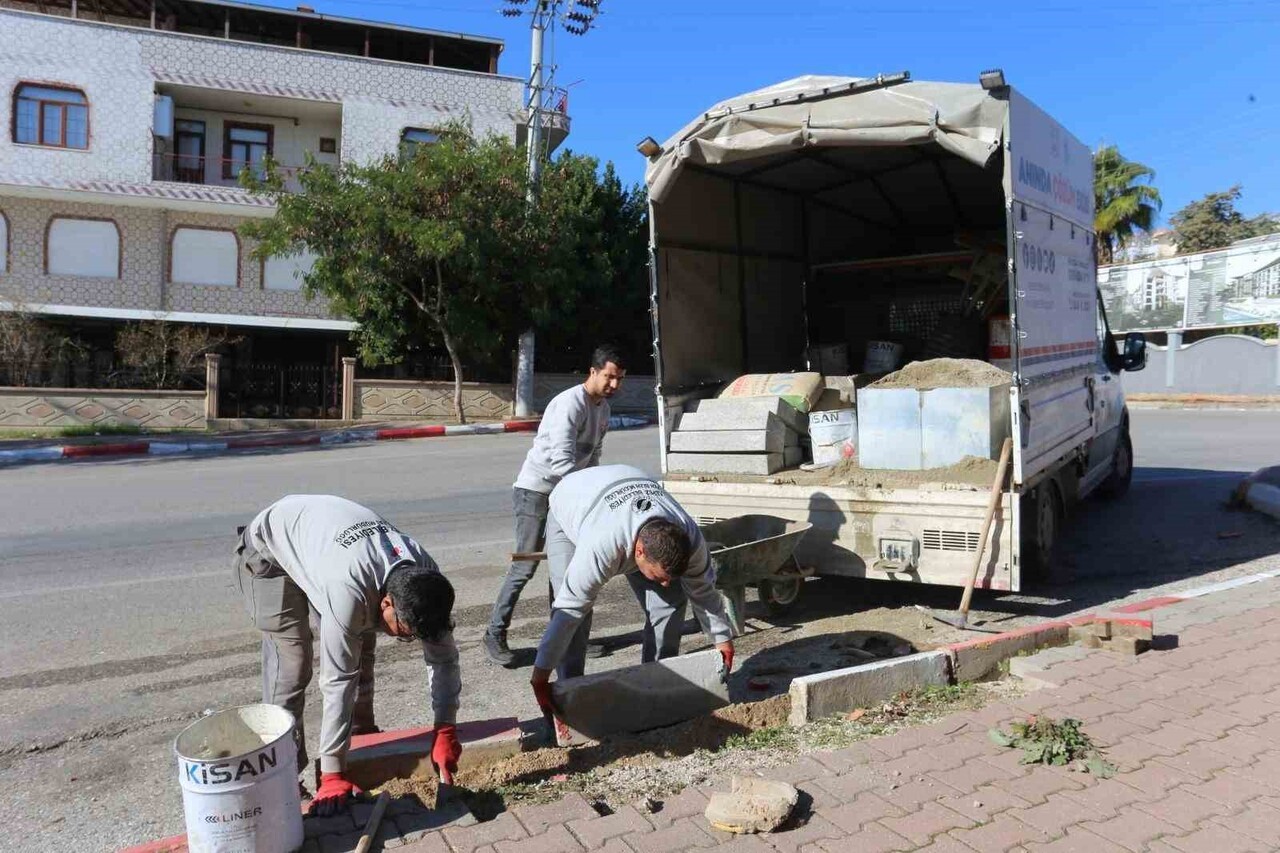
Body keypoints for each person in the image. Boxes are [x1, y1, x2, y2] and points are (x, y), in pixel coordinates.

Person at [233, 495, 462, 816]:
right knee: (293, 664)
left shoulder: (426, 581)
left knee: (362, 638)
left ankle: (360, 740)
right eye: (406, 631)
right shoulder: (349, 588)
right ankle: (284, 777)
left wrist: (446, 727)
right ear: (386, 604)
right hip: (269, 554)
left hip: (324, 548)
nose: (409, 640)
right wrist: (332, 775)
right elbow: (338, 679)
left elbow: (444, 658)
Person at [528, 465, 735, 714]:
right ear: (639, 552)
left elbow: (703, 592)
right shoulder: (601, 546)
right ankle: (569, 698)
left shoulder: (690, 539)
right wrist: (540, 676)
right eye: (659, 576)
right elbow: (567, 613)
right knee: (577, 618)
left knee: (669, 603)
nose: (666, 583)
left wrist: (723, 640)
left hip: (627, 482)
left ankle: (657, 687)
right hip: (572, 502)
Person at [483, 344, 627, 667]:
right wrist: (582, 495)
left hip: (569, 493)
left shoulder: (602, 409)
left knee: (567, 569)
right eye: (609, 377)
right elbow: (561, 460)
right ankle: (494, 633)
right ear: (593, 372)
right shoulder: (569, 404)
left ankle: (567, 639)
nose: (614, 385)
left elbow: (594, 457)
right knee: (526, 566)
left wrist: (597, 493)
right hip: (536, 491)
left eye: (619, 379)